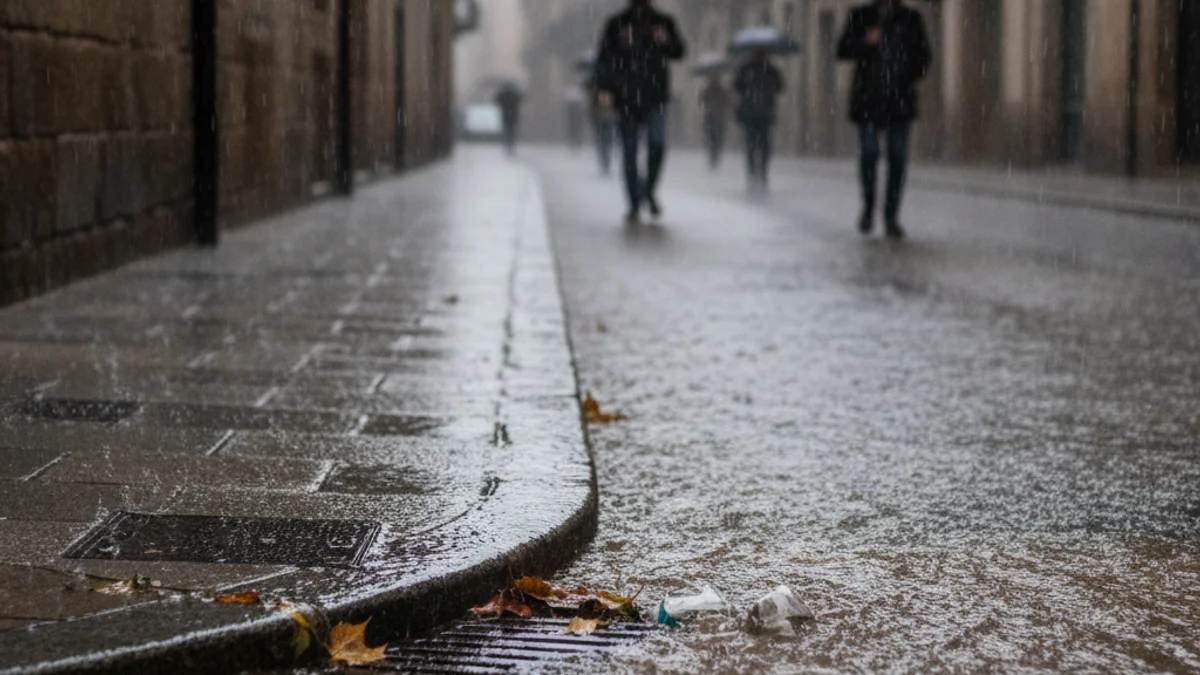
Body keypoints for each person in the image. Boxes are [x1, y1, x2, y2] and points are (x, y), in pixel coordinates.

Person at [837, 0, 932, 239]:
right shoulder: (860, 16)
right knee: (869, 153)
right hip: (868, 99)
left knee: (898, 158)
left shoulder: (910, 18)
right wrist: (865, 43)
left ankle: (891, 216)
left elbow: (925, 56)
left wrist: (906, 73)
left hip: (899, 100)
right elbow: (842, 50)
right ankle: (869, 206)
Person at [594, 0, 686, 224]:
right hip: (626, 98)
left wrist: (665, 41)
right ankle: (634, 201)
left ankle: (648, 189)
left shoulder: (663, 23)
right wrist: (607, 88)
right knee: (629, 151)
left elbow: (679, 51)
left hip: (655, 96)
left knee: (658, 145)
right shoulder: (616, 24)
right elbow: (604, 59)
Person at [733, 49, 784, 191]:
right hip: (755, 113)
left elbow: (779, 87)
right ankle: (756, 172)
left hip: (761, 113)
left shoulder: (767, 70)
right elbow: (780, 87)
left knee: (760, 144)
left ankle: (759, 172)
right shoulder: (750, 69)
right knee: (756, 144)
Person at [700, 75, 731, 170]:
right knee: (714, 139)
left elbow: (702, 101)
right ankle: (713, 155)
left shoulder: (718, 91)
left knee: (714, 139)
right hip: (714, 119)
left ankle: (714, 155)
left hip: (714, 119)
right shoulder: (713, 90)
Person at [590, 83, 618, 175]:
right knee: (603, 141)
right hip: (601, 118)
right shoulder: (596, 90)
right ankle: (604, 160)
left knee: (605, 140)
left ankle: (605, 159)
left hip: (607, 118)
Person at [494, 83, 524, 156]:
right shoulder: (514, 94)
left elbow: (497, 100)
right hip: (513, 115)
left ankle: (507, 142)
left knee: (507, 129)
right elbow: (521, 99)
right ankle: (511, 143)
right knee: (512, 130)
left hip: (506, 115)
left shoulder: (503, 94)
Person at [564, 85, 587, 150]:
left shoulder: (577, 92)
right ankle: (573, 142)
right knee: (573, 130)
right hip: (573, 117)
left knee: (576, 130)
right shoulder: (570, 92)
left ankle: (576, 142)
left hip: (576, 117)